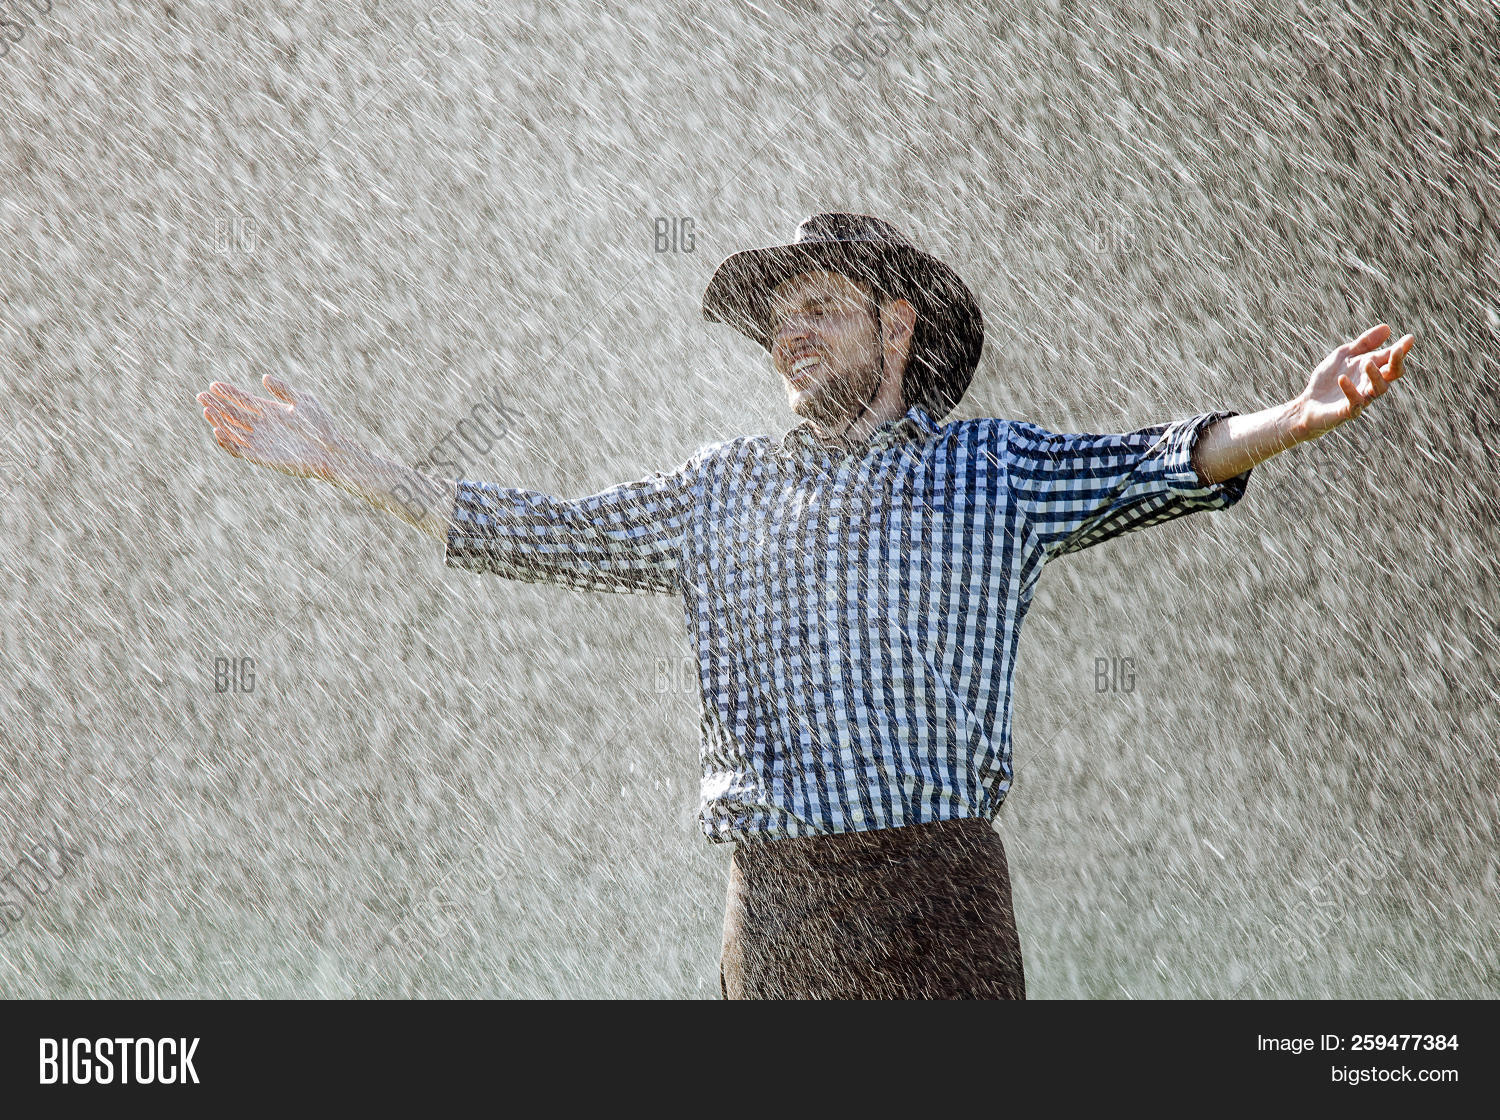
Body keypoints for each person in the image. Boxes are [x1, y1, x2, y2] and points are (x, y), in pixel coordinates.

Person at [195, 212, 1413, 999]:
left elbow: (1164, 456)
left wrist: (1296, 418)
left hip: (940, 898)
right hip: (774, 908)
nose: (789, 336)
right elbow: (544, 529)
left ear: (897, 323)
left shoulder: (991, 469)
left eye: (818, 307)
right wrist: (350, 463)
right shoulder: (717, 491)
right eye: (777, 323)